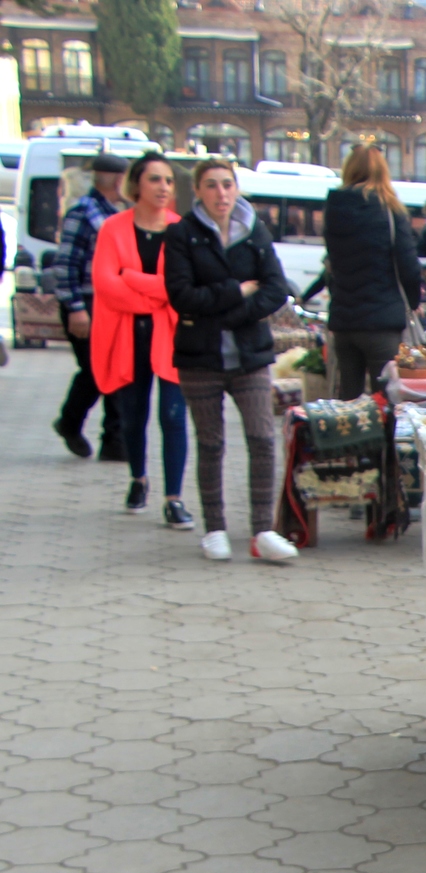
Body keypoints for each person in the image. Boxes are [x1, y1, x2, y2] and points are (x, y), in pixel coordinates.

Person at [164, 157, 299, 565]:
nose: (221, 193)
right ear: (199, 191)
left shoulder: (254, 231)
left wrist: (229, 310)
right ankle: (215, 528)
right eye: (211, 185)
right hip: (200, 358)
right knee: (211, 443)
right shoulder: (182, 235)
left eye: (227, 184)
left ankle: (262, 529)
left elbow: (276, 289)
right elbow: (182, 295)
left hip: (249, 355)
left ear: (236, 188)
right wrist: (235, 290)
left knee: (261, 437)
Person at [91, 153, 188, 524]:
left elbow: (179, 287)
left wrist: (133, 277)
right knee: (132, 415)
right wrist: (155, 294)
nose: (163, 187)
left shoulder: (180, 229)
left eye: (168, 181)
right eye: (154, 180)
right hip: (127, 335)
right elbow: (106, 284)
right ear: (136, 186)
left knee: (173, 415)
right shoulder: (113, 229)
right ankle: (138, 478)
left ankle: (174, 498)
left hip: (173, 336)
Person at [320, 145, 420, 398]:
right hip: (382, 320)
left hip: (344, 319)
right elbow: (408, 265)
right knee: (386, 401)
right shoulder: (390, 210)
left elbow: (333, 261)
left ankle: (352, 439)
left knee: (350, 402)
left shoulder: (334, 209)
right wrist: (413, 301)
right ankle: (384, 440)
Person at [51, 152, 128, 461]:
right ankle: (70, 422)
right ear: (116, 179)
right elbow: (66, 263)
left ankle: (115, 441)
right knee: (97, 369)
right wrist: (75, 307)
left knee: (118, 370)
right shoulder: (84, 212)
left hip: (113, 303)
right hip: (86, 301)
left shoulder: (118, 214)